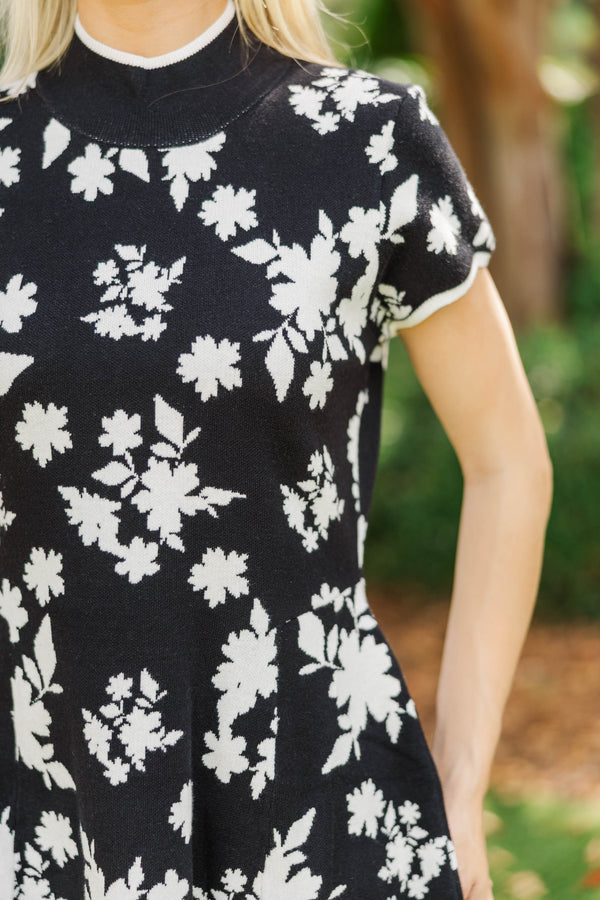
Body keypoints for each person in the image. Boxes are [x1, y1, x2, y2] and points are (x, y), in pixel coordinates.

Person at [0, 0, 553, 898]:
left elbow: (509, 463)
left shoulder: (368, 140)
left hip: (324, 810)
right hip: (51, 818)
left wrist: (459, 776)